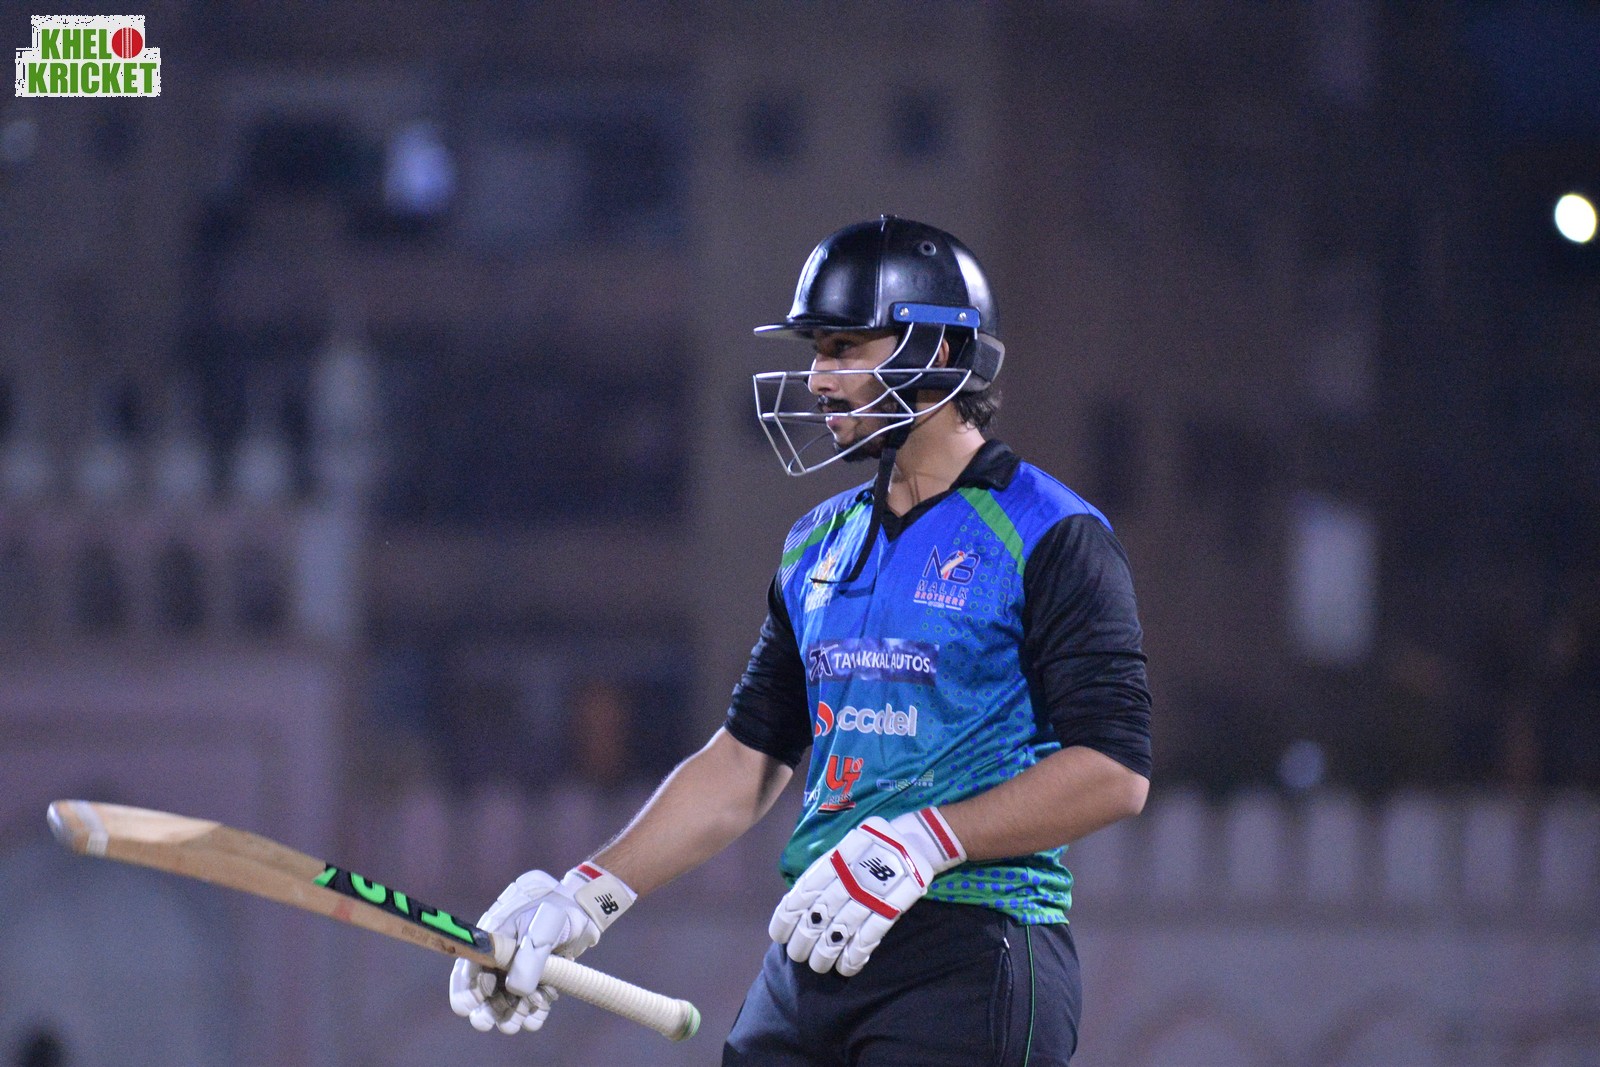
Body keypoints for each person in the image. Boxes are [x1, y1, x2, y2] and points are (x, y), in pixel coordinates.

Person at [448, 215, 1153, 1065]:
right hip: (816, 942)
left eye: (844, 347)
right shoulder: (816, 542)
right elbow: (744, 762)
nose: (818, 379)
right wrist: (585, 896)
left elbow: (1114, 772)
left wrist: (927, 839)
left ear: (935, 351)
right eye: (817, 350)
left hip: (976, 945)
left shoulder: (1052, 531)